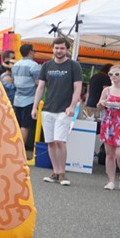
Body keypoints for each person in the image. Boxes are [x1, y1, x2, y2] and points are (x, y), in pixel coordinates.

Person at [32, 36, 83, 185]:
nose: (59, 51)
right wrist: (35, 107)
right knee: (50, 142)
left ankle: (62, 173)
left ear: (67, 50)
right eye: (56, 48)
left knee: (60, 141)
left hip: (64, 110)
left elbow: (77, 87)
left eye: (62, 48)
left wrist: (72, 106)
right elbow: (40, 87)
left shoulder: (74, 66)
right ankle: (55, 172)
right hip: (48, 109)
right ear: (53, 49)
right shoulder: (46, 66)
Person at [11, 43, 41, 147]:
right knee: (25, 126)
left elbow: (14, 81)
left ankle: (15, 147)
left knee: (18, 126)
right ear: (31, 52)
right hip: (29, 99)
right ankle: (21, 150)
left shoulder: (15, 65)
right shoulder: (34, 65)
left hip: (17, 98)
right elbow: (38, 83)